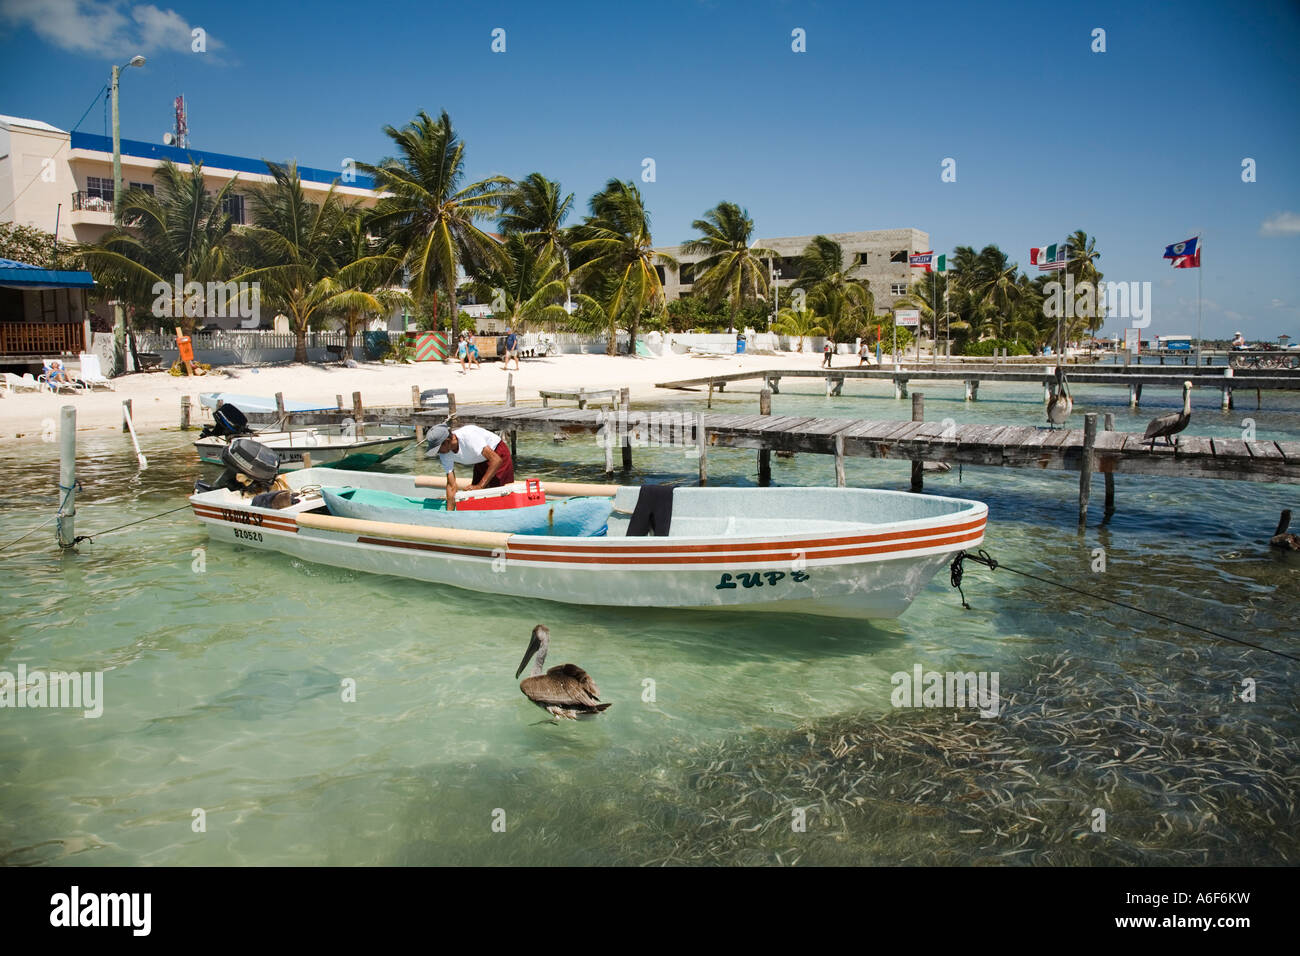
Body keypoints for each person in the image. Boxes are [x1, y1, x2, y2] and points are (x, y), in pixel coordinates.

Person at [425, 423, 515, 511]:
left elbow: (496, 460)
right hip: (479, 460)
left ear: (447, 442)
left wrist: (480, 485)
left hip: (497, 454)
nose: (438, 452)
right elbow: (451, 485)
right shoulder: (444, 453)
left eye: (438, 449)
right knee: (476, 498)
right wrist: (449, 513)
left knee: (498, 496)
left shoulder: (469, 436)